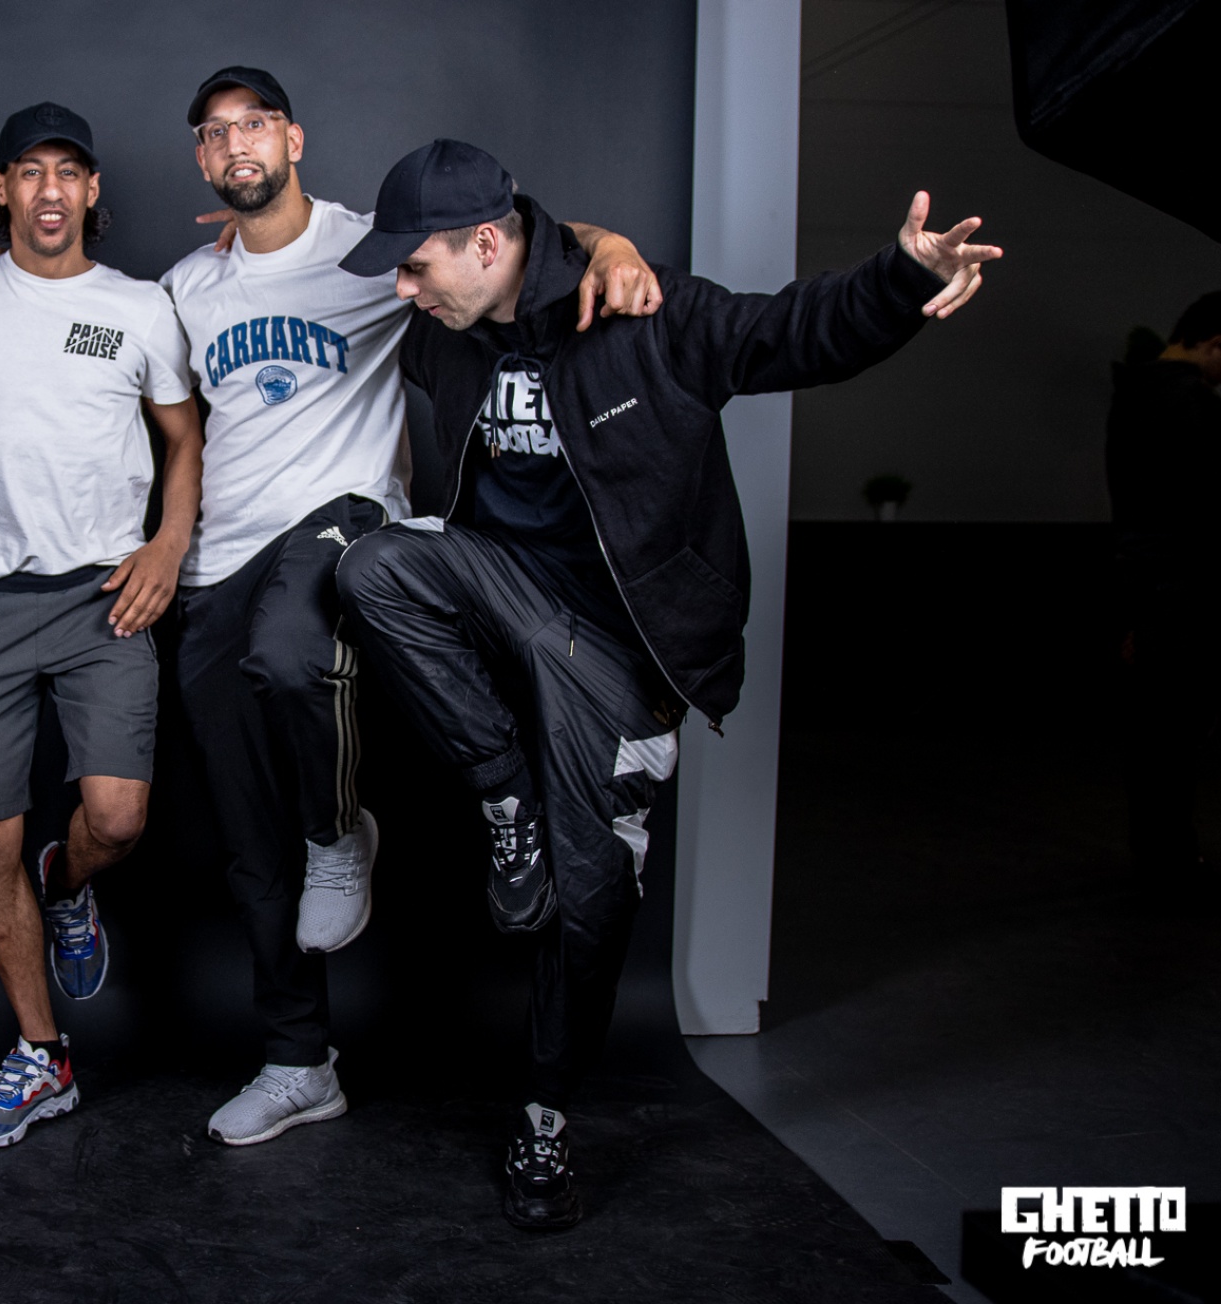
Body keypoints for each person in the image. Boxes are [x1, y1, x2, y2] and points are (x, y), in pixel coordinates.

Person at [331, 138, 998, 1230]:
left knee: (591, 902)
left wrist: (901, 277)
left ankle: (544, 1118)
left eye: (415, 266)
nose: (403, 289)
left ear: (486, 244)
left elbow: (793, 332)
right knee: (373, 566)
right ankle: (506, 804)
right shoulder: (442, 335)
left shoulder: (647, 313)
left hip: (624, 645)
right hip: (511, 603)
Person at [157, 67, 662, 1146]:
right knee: (249, 844)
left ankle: (341, 828)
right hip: (215, 565)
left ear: (294, 138)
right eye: (214, 132)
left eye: (254, 124)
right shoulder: (186, 285)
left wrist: (610, 245)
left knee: (293, 657)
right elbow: (167, 419)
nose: (236, 144)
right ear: (200, 157)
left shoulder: (369, 249)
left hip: (336, 525)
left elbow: (507, 239)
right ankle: (298, 1062)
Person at [0, 103, 203, 1147]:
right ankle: (41, 1054)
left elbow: (184, 439)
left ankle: (67, 886)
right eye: (30, 171)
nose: (50, 190)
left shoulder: (139, 309)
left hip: (103, 594)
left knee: (117, 819)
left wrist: (167, 545)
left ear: (91, 190)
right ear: (2, 187)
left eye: (68, 172)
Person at [1106, 291, 1221, 894]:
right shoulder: (1190, 404)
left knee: (1157, 734)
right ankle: (1171, 868)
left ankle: (1162, 861)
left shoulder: (1133, 394)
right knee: (1173, 734)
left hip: (1149, 586)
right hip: (1184, 590)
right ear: (1215, 342)